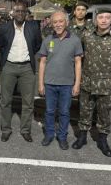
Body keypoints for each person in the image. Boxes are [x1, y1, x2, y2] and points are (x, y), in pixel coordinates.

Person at [71, 8, 111, 157]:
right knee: (84, 111)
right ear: (96, 19)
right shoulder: (86, 35)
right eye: (101, 17)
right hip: (87, 82)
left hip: (107, 84)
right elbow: (77, 54)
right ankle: (82, 137)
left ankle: (102, 140)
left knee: (104, 114)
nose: (104, 20)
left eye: (107, 17)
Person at [38, 10, 82, 150]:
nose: (58, 24)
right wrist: (41, 83)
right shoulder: (47, 40)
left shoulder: (75, 40)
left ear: (66, 22)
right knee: (50, 111)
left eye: (60, 21)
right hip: (50, 83)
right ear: (51, 24)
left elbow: (78, 63)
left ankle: (62, 137)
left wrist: (77, 84)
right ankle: (49, 134)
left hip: (67, 84)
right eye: (55, 22)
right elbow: (42, 62)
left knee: (64, 112)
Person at [0, 2, 42, 142]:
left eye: (23, 11)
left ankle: (25, 130)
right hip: (9, 67)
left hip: (27, 68)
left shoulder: (33, 27)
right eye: (17, 11)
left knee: (28, 102)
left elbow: (37, 45)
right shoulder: (5, 28)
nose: (20, 14)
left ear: (26, 13)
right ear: (12, 13)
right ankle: (5, 130)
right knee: (5, 101)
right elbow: (1, 46)